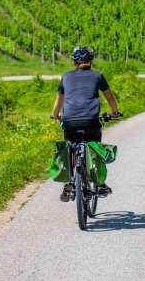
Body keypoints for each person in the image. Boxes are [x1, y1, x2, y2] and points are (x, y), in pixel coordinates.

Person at [51, 46, 121, 202]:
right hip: (91, 121)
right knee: (94, 146)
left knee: (70, 145)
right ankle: (99, 182)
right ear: (91, 61)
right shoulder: (98, 76)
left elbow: (58, 100)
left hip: (69, 121)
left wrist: (55, 115)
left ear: (74, 61)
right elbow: (110, 98)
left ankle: (70, 181)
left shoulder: (66, 77)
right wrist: (114, 112)